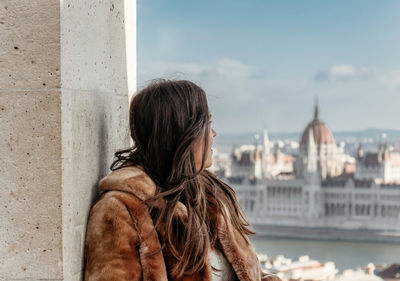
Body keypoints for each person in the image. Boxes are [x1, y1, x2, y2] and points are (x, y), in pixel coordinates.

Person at [83, 79, 280, 281]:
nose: (213, 133)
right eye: (207, 124)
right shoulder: (120, 210)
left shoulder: (209, 196)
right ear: (181, 134)